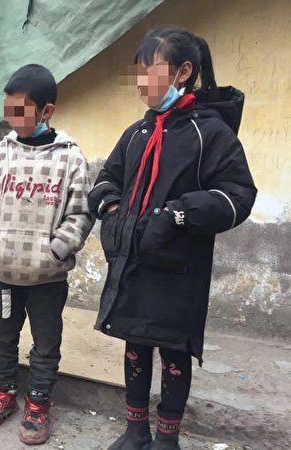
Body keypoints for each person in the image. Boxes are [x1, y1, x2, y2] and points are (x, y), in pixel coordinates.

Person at [88, 27, 257, 450]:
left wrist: (178, 214)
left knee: (173, 353)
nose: (142, 81)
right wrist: (111, 211)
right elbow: (107, 179)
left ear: (183, 72)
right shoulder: (137, 133)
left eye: (151, 70)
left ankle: (167, 438)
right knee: (135, 345)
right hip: (133, 263)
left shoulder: (210, 134)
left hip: (178, 272)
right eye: (138, 72)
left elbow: (238, 195)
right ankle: (135, 431)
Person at [0, 64, 94, 445]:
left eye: (21, 110)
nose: (13, 118)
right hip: (3, 275)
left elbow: (80, 213)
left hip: (47, 279)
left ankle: (38, 403)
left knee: (46, 343)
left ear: (46, 111)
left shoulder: (70, 158)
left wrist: (56, 252)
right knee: (2, 336)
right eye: (8, 110)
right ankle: (4, 393)